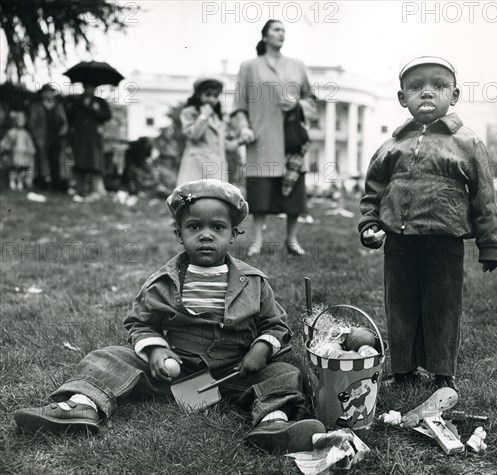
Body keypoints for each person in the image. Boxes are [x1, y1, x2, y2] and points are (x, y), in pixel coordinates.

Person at [13, 179, 325, 454]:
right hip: (176, 372)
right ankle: (81, 406)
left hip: (236, 373)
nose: (205, 236)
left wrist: (261, 349)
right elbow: (141, 323)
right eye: (194, 227)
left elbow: (276, 325)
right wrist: (156, 350)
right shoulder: (164, 281)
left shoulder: (253, 282)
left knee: (283, 372)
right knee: (108, 357)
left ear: (233, 235)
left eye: (217, 228)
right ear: (179, 233)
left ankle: (273, 422)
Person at [358, 57, 497, 391]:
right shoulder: (391, 145)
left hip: (444, 242)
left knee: (442, 307)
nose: (427, 93)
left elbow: (484, 195)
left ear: (454, 95)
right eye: (415, 87)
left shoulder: (467, 142)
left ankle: (443, 376)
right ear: (401, 98)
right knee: (400, 306)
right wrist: (369, 223)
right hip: (399, 241)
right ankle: (404, 371)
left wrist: (491, 243)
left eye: (438, 86)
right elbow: (373, 191)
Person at [232, 19, 317, 257]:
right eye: (276, 30)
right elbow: (239, 104)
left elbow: (312, 100)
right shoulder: (249, 66)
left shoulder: (297, 66)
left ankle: (292, 239)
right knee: (260, 191)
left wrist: (297, 104)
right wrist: (243, 128)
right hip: (261, 138)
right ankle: (257, 240)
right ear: (265, 36)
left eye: (284, 31)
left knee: (294, 190)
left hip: (292, 139)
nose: (281, 34)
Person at [176, 77, 234, 186]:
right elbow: (193, 135)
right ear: (199, 95)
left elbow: (224, 144)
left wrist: (240, 141)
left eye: (215, 96)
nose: (212, 99)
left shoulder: (218, 118)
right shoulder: (190, 113)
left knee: (216, 200)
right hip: (197, 168)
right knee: (194, 199)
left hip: (217, 170)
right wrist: (203, 116)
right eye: (208, 94)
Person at [65, 83, 112, 201]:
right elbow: (70, 117)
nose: (89, 90)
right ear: (84, 88)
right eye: (87, 88)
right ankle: (79, 189)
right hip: (80, 137)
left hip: (93, 138)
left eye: (91, 88)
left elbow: (107, 115)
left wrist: (97, 110)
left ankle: (93, 190)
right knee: (80, 163)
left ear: (94, 89)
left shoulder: (100, 102)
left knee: (93, 163)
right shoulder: (77, 101)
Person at [28, 83, 69, 191]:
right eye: (46, 92)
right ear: (42, 94)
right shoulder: (36, 106)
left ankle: (56, 186)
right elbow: (32, 123)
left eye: (51, 92)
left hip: (56, 138)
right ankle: (42, 184)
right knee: (41, 162)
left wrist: (63, 130)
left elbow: (64, 122)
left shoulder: (58, 106)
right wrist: (36, 136)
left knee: (56, 162)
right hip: (42, 138)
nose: (49, 94)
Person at [0, 110, 36, 190]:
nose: (21, 122)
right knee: (13, 168)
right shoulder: (11, 132)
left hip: (23, 153)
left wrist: (31, 150)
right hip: (15, 153)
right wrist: (5, 147)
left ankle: (20, 182)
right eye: (19, 120)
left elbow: (29, 143)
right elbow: (6, 142)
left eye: (22, 120)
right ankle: (12, 182)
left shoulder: (25, 133)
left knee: (22, 169)